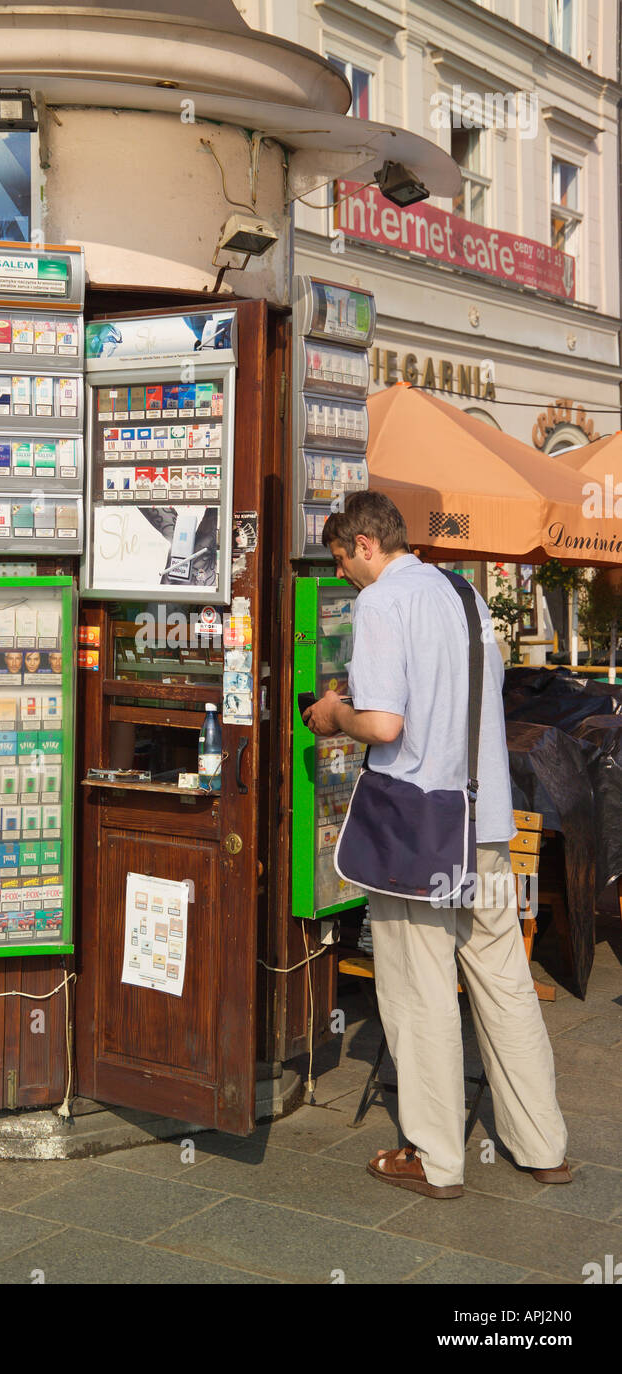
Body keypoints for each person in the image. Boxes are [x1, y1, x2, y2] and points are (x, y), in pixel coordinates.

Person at [306, 491, 569, 1199]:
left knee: (419, 992)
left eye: (343, 560)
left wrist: (333, 713)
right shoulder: (463, 593)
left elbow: (384, 725)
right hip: (485, 822)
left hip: (420, 832)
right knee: (505, 984)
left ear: (366, 545)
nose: (343, 575)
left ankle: (435, 1158)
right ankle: (543, 1145)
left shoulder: (382, 602)